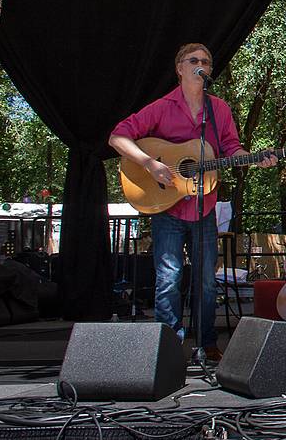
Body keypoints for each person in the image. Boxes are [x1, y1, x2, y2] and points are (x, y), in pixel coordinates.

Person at [109, 43, 277, 362]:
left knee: (206, 282)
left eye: (207, 61)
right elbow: (117, 137)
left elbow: (231, 149)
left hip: (205, 207)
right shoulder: (161, 107)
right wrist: (150, 164)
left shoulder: (219, 110)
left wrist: (254, 160)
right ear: (180, 68)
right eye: (194, 60)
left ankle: (207, 343)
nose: (201, 64)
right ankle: (167, 348)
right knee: (169, 278)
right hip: (167, 207)